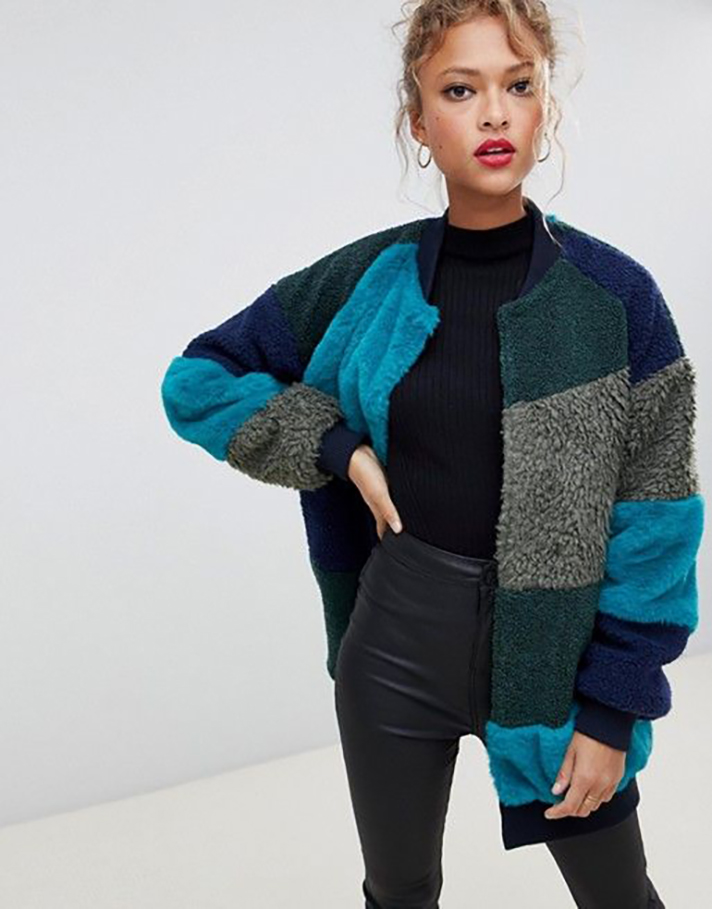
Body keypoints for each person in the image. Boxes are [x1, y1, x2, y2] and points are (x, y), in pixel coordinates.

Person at [161, 2, 703, 906]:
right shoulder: (367, 282)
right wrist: (336, 447)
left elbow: (659, 522)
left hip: (553, 653)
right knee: (399, 890)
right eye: (460, 90)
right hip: (396, 641)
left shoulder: (616, 299)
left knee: (620, 894)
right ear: (418, 120)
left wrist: (614, 706)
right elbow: (199, 379)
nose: (494, 113)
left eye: (517, 85)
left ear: (543, 106)